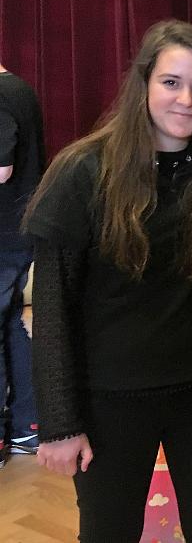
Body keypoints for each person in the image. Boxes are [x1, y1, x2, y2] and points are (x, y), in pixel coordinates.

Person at [23, 21, 192, 541]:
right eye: (171, 82)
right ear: (142, 83)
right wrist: (59, 423)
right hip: (109, 399)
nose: (186, 100)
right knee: (109, 532)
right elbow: (52, 308)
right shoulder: (82, 170)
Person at [0, 63, 44, 467]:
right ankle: (27, 427)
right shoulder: (18, 88)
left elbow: (2, 169)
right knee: (11, 324)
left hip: (4, 238)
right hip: (17, 233)